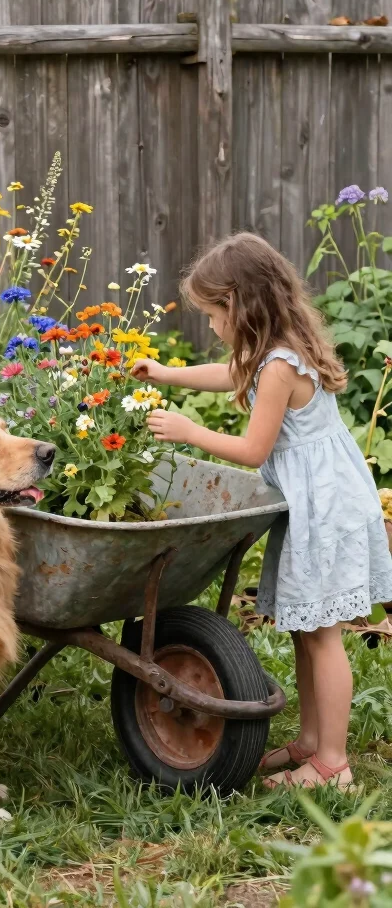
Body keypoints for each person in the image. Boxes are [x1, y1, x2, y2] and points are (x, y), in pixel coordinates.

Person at [132, 232, 392, 791]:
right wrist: (167, 373)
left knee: (322, 635)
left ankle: (333, 765)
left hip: (324, 510)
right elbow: (230, 374)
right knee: (306, 630)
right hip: (318, 502)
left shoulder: (278, 367)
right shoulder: (277, 348)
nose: (210, 326)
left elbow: (253, 449)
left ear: (239, 305)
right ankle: (312, 742)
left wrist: (188, 431)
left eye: (212, 314)